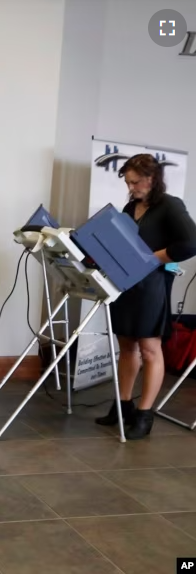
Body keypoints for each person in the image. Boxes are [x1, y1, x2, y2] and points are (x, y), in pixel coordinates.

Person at [97, 153, 196, 439]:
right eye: (128, 182)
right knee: (127, 347)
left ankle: (145, 414)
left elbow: (191, 243)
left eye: (136, 182)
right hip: (127, 285)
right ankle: (123, 406)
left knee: (151, 349)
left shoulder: (170, 205)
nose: (131, 187)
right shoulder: (130, 206)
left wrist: (153, 258)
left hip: (152, 285)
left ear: (152, 179)